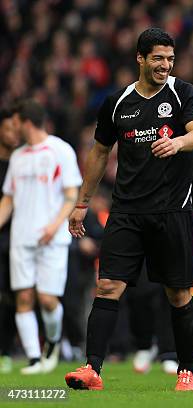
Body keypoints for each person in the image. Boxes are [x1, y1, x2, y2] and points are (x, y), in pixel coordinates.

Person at [64, 27, 193, 391]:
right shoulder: (117, 102)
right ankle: (92, 368)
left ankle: (186, 370)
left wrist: (178, 144)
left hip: (172, 210)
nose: (165, 65)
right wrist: (82, 202)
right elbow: (99, 152)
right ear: (140, 59)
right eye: (158, 58)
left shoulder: (182, 93)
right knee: (108, 285)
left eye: (170, 59)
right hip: (126, 210)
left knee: (177, 293)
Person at [0, 100, 82, 375]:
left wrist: (54, 225)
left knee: (47, 299)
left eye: (15, 124)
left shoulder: (61, 151)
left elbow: (72, 193)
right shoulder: (18, 157)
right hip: (21, 239)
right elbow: (8, 200)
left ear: (26, 123)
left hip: (52, 238)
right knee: (23, 298)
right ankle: (34, 359)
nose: (13, 130)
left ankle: (54, 340)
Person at [0, 108, 20, 374]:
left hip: (19, 237)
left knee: (16, 297)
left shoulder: (24, 161)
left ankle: (6, 349)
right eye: (7, 129)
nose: (13, 134)